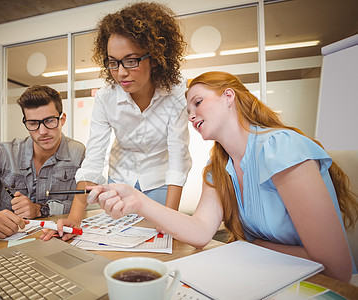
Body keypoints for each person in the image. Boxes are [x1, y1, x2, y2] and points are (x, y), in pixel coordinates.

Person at [86, 71, 358, 282]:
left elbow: (336, 268)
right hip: (265, 276)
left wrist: (253, 246)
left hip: (316, 285)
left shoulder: (281, 146)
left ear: (229, 96)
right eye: (188, 111)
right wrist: (138, 201)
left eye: (198, 103)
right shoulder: (218, 167)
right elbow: (201, 231)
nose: (192, 116)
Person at [45, 1, 192, 241]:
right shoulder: (106, 98)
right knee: (119, 244)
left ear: (154, 58)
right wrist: (74, 219)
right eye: (113, 62)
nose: (121, 72)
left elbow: (178, 159)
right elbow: (93, 160)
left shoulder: (176, 92)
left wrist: (170, 218)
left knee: (161, 243)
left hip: (160, 182)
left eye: (131, 60)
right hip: (119, 182)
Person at [0, 85, 85, 238]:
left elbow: (86, 205)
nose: (43, 131)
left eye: (50, 121)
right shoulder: (1, 154)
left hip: (57, 240)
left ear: (62, 119)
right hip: (4, 243)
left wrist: (40, 209)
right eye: (33, 123)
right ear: (25, 122)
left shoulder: (78, 153)